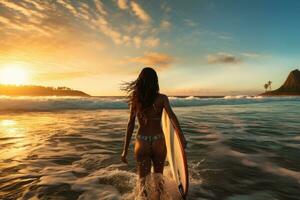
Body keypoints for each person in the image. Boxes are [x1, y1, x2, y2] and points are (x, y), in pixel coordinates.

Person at [121, 67, 187, 198]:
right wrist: (181, 136)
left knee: (142, 182)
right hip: (158, 141)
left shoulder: (136, 99)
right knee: (159, 179)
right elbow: (172, 117)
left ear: (140, 81)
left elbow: (130, 124)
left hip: (142, 141)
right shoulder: (162, 98)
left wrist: (125, 150)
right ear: (155, 81)